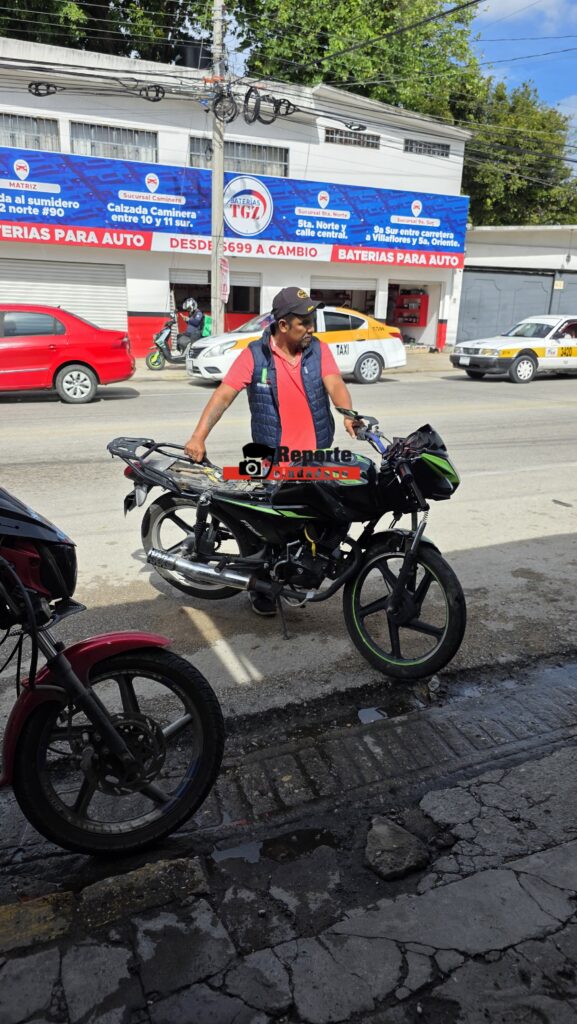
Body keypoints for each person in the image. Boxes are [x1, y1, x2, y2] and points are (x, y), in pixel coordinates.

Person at [184, 286, 361, 615]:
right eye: (304, 323)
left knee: (322, 519)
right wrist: (198, 436)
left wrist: (348, 413)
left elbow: (335, 382)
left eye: (312, 321)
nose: (311, 328)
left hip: (315, 457)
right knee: (267, 530)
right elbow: (224, 395)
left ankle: (299, 574)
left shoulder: (318, 350)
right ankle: (261, 589)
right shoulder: (255, 356)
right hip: (273, 460)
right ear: (282, 325)